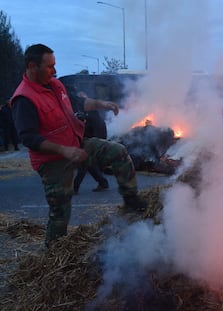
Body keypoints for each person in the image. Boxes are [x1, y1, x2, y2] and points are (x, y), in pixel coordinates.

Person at [10, 43, 146, 246]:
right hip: (53, 161)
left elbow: (78, 103)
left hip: (77, 144)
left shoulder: (55, 85)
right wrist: (64, 150)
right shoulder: (24, 98)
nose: (55, 71)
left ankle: (131, 200)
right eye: (49, 67)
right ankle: (52, 256)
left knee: (118, 152)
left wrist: (102, 104)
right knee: (60, 212)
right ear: (32, 66)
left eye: (54, 65)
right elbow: (29, 138)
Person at [71, 90, 109, 194]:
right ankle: (103, 183)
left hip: (92, 144)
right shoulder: (93, 115)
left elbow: (88, 129)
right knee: (90, 165)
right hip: (93, 143)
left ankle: (74, 188)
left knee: (83, 166)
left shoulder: (90, 115)